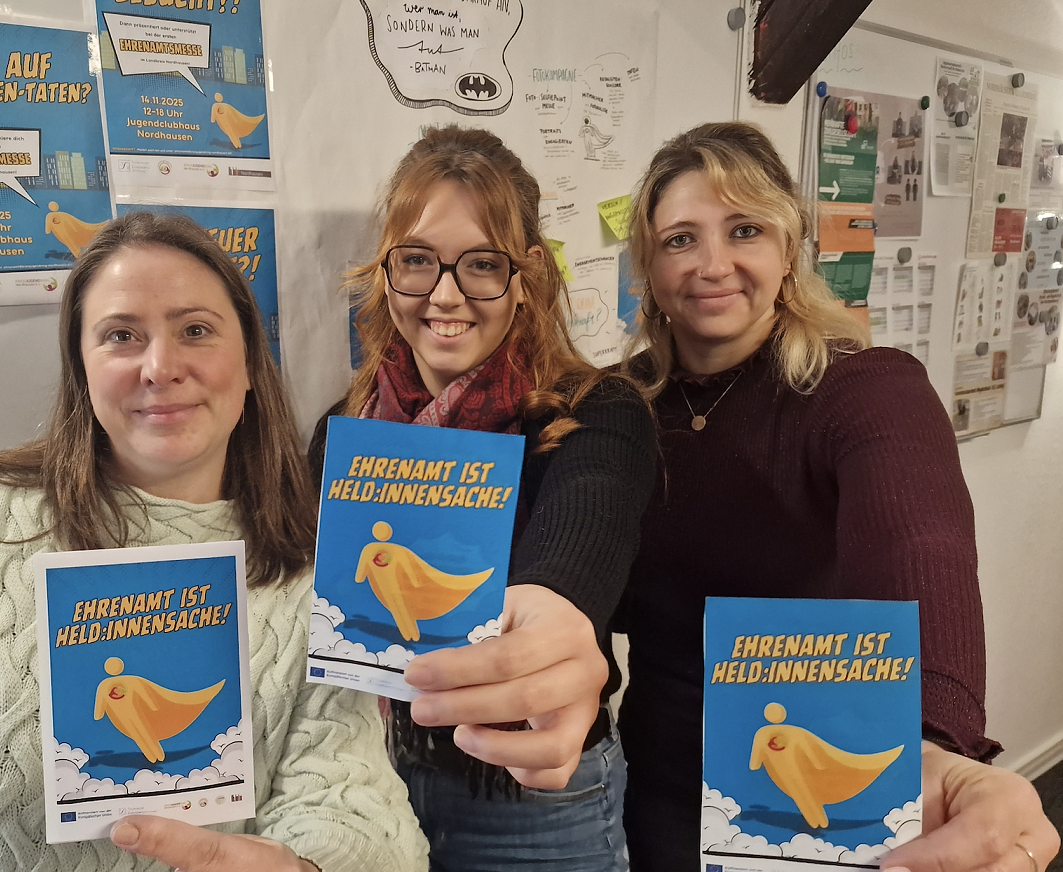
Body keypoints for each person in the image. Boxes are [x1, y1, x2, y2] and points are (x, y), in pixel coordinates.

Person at [0, 212, 428, 872]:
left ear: (248, 366)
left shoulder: (309, 576)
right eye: (122, 335)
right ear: (82, 369)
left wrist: (305, 867)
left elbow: (354, 811)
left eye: (195, 330)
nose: (161, 367)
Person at [617, 121, 1059, 871]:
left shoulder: (861, 389)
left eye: (745, 230)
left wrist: (931, 740)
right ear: (649, 268)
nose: (713, 264)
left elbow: (921, 548)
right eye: (680, 240)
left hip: (810, 799)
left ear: (789, 250)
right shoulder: (619, 407)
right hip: (647, 789)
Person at [307, 125, 657, 871]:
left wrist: (556, 605)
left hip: (533, 802)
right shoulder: (342, 432)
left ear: (524, 275)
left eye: (481, 265)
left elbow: (587, 520)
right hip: (367, 782)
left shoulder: (594, 412)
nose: (445, 294)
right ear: (387, 271)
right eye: (417, 261)